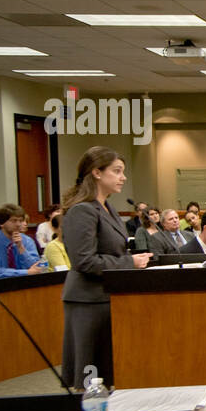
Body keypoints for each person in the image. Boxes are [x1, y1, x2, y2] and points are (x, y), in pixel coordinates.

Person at [60, 146, 151, 389]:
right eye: (117, 171)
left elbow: (113, 249)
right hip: (88, 301)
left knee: (109, 373)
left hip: (108, 296)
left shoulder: (108, 208)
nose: (123, 177)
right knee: (91, 379)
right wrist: (130, 263)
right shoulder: (82, 210)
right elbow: (85, 261)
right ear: (97, 173)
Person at [0, 204, 43, 278]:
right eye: (13, 221)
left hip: (25, 284)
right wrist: (26, 272)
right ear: (1, 223)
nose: (18, 224)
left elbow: (36, 268)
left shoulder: (27, 240)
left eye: (20, 220)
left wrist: (21, 248)